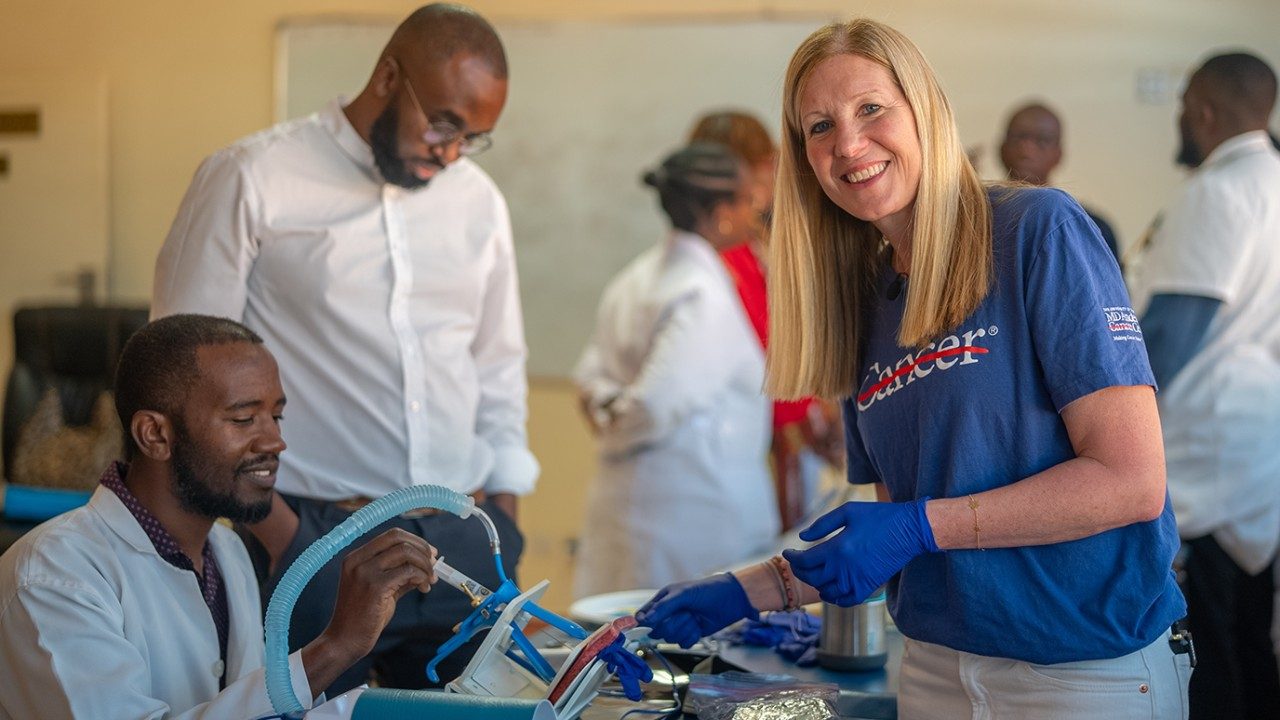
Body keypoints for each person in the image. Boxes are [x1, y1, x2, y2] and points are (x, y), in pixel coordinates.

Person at [637, 19, 1190, 719]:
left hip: (1081, 674)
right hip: (935, 673)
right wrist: (749, 589)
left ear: (924, 108)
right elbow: (890, 524)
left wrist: (919, 527)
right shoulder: (867, 301)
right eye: (819, 126)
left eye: (872, 109)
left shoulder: (1036, 232)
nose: (849, 144)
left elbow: (1132, 482)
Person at [151, 4, 534, 694]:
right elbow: (181, 377)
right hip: (316, 536)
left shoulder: (477, 202)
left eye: (473, 138)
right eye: (444, 123)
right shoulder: (252, 178)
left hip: (460, 540)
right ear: (390, 76)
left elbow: (497, 366)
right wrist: (287, 538)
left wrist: (504, 517)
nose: (450, 152)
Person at [0, 314, 440, 720]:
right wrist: (335, 647)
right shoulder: (53, 575)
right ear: (155, 434)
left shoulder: (226, 550)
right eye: (244, 418)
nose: (275, 442)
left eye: (276, 416)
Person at [1127, 51, 1280, 720]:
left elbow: (1167, 339)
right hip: (1253, 448)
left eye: (1185, 107)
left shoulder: (1218, 191)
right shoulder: (1273, 182)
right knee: (1250, 643)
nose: (1181, 121)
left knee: (1209, 656)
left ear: (1206, 111)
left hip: (1205, 456)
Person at [572, 143, 781, 598]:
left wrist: (607, 412)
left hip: (643, 509)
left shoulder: (636, 277)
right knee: (677, 656)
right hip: (688, 520)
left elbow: (591, 379)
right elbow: (652, 406)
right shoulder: (698, 293)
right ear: (723, 212)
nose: (757, 209)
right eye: (749, 199)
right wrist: (621, 419)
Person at [687, 111, 844, 530]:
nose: (774, 181)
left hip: (775, 431)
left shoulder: (754, 244)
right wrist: (813, 418)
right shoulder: (723, 259)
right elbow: (765, 352)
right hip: (763, 437)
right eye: (764, 171)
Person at [999, 102, 1122, 264]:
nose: (1026, 150)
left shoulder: (1089, 227)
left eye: (1041, 141)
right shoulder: (982, 221)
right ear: (1001, 148)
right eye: (1019, 138)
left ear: (1059, 154)